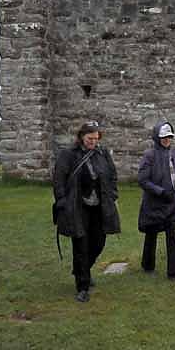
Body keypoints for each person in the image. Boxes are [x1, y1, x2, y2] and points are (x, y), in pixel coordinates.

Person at [53, 120, 120, 303]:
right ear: (81, 137)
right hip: (77, 206)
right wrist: (62, 201)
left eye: (96, 138)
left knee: (99, 242)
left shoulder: (102, 153)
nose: (93, 142)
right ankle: (82, 286)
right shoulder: (68, 154)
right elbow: (59, 179)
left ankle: (81, 270)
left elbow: (112, 175)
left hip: (99, 206)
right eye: (90, 138)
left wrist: (112, 194)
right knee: (81, 246)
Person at [138, 121, 175, 280]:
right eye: (164, 137)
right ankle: (147, 265)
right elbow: (143, 180)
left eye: (169, 137)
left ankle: (174, 273)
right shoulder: (149, 155)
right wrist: (160, 192)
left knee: (172, 236)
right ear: (157, 138)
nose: (167, 140)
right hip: (154, 203)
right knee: (151, 234)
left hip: (172, 203)